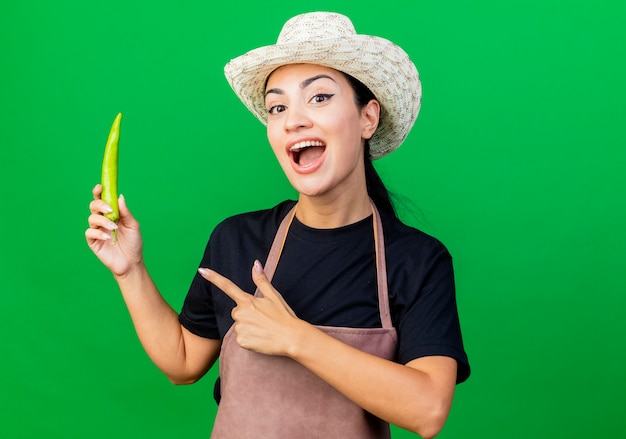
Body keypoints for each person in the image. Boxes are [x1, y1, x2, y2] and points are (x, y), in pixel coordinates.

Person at [86, 11, 470, 439]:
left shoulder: (416, 260)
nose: (294, 120)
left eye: (319, 97)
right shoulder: (236, 239)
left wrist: (295, 338)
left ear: (368, 118)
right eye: (277, 106)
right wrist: (129, 270)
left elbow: (428, 410)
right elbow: (182, 362)